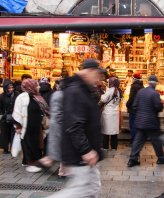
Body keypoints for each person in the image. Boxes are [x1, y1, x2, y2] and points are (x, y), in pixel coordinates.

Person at [48, 59, 104, 197]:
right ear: (90, 71)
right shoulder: (76, 91)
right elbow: (74, 125)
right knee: (83, 189)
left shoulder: (82, 90)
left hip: (84, 152)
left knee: (91, 188)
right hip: (80, 154)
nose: (98, 79)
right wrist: (86, 150)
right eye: (97, 74)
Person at [127, 75, 164, 167]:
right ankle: (161, 158)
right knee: (156, 141)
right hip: (151, 122)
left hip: (140, 121)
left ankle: (132, 160)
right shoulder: (155, 94)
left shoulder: (141, 91)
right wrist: (160, 106)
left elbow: (134, 105)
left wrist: (141, 112)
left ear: (148, 82)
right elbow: (158, 107)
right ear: (156, 83)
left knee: (138, 141)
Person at [12, 79, 49, 173]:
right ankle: (31, 163)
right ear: (31, 87)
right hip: (26, 127)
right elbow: (17, 113)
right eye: (37, 85)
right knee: (28, 144)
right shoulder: (22, 97)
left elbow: (44, 109)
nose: (39, 87)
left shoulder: (37, 96)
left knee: (37, 144)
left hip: (37, 126)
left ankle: (33, 161)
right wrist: (18, 126)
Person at [0, 80, 19, 154]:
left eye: (12, 87)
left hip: (15, 116)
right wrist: (0, 114)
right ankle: (5, 148)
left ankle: (13, 147)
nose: (11, 89)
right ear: (5, 88)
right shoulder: (1, 96)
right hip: (4, 117)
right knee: (5, 133)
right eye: (9, 88)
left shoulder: (17, 94)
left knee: (13, 132)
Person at [100, 77, 122, 150]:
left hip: (108, 113)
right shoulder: (118, 91)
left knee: (106, 130)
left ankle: (105, 147)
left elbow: (103, 99)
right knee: (114, 131)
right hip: (115, 112)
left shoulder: (110, 90)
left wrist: (103, 93)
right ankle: (114, 147)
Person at [126, 73, 143, 145]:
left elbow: (131, 97)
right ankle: (137, 141)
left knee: (132, 126)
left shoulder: (134, 86)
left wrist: (127, 104)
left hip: (133, 109)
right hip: (139, 109)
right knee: (137, 126)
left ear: (134, 79)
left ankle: (133, 142)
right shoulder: (142, 86)